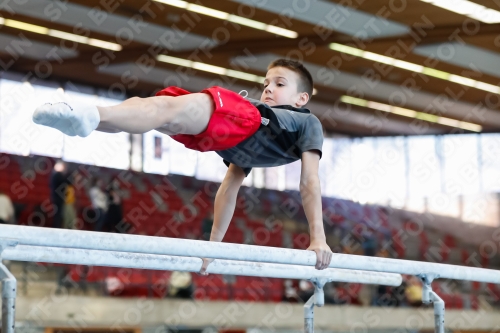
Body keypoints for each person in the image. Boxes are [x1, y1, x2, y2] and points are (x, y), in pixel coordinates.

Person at [32, 58, 333, 270]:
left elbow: (307, 181)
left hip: (241, 123)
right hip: (228, 128)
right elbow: (227, 189)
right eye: (266, 82)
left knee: (161, 110)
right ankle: (91, 117)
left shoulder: (308, 123)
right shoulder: (262, 117)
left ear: (301, 99)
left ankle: (91, 116)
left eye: (279, 84)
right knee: (155, 109)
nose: (268, 88)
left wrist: (318, 239)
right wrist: (213, 247)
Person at [50, 160, 68, 228]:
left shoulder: (55, 175)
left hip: (57, 197)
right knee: (58, 214)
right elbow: (65, 182)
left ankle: (58, 225)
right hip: (58, 197)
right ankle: (57, 226)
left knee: (58, 213)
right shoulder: (58, 175)